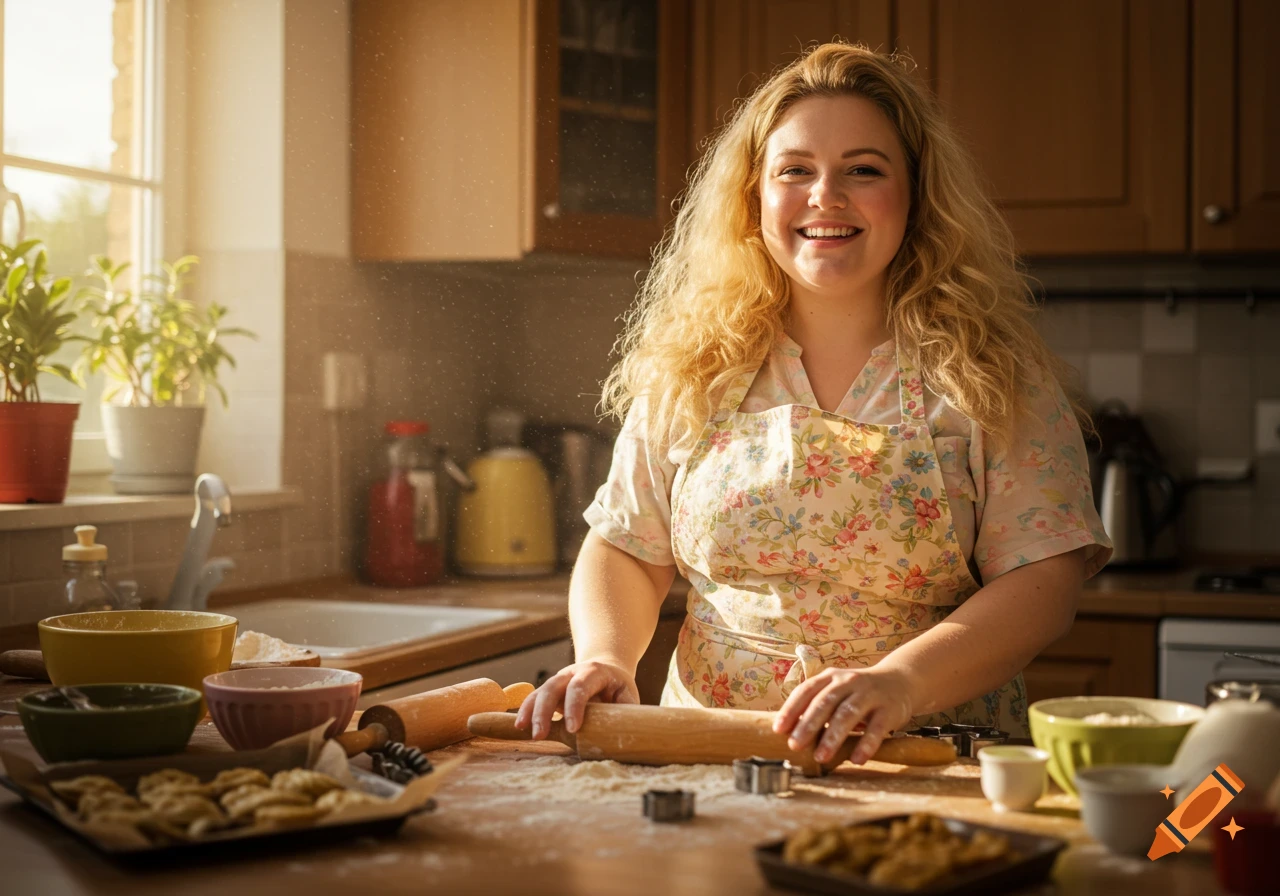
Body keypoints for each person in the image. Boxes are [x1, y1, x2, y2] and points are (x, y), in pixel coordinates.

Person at [515, 43, 1112, 766]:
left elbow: (1042, 580)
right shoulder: (695, 366)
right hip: (710, 760)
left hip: (925, 757)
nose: (825, 196)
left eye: (864, 170)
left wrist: (899, 681)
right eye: (795, 170)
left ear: (917, 196)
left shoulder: (993, 376)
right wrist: (606, 657)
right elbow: (626, 546)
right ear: (755, 197)